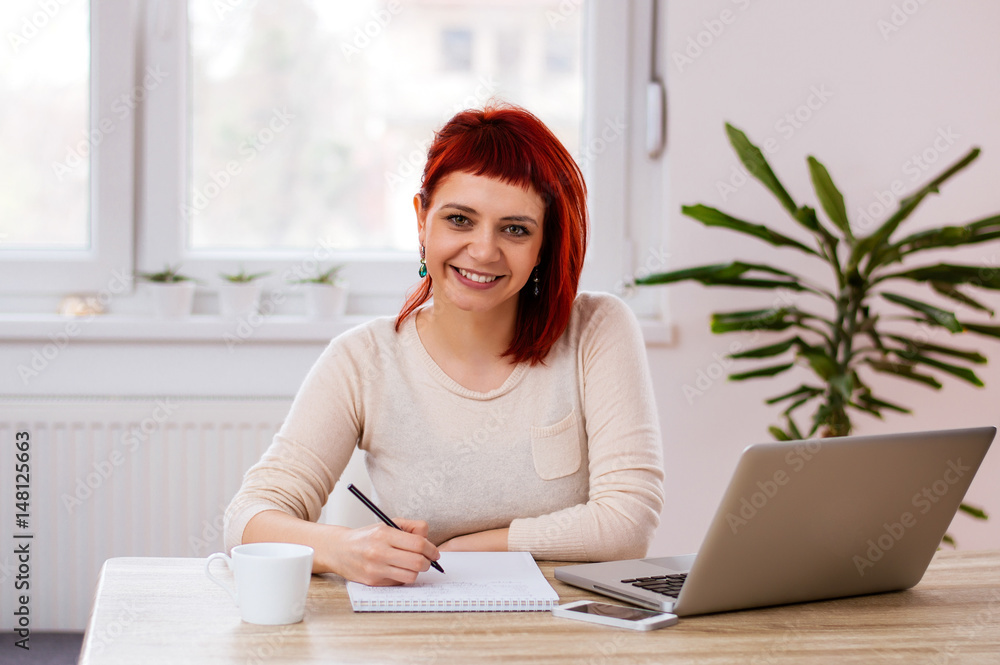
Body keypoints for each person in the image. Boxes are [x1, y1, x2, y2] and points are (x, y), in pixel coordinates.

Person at [224, 102, 664, 586]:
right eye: (460, 220)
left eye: (515, 229)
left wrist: (465, 548)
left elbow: (628, 524)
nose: (483, 250)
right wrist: (342, 549)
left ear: (544, 245)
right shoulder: (363, 360)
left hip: (566, 635)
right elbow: (247, 520)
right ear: (422, 219)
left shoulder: (596, 330)